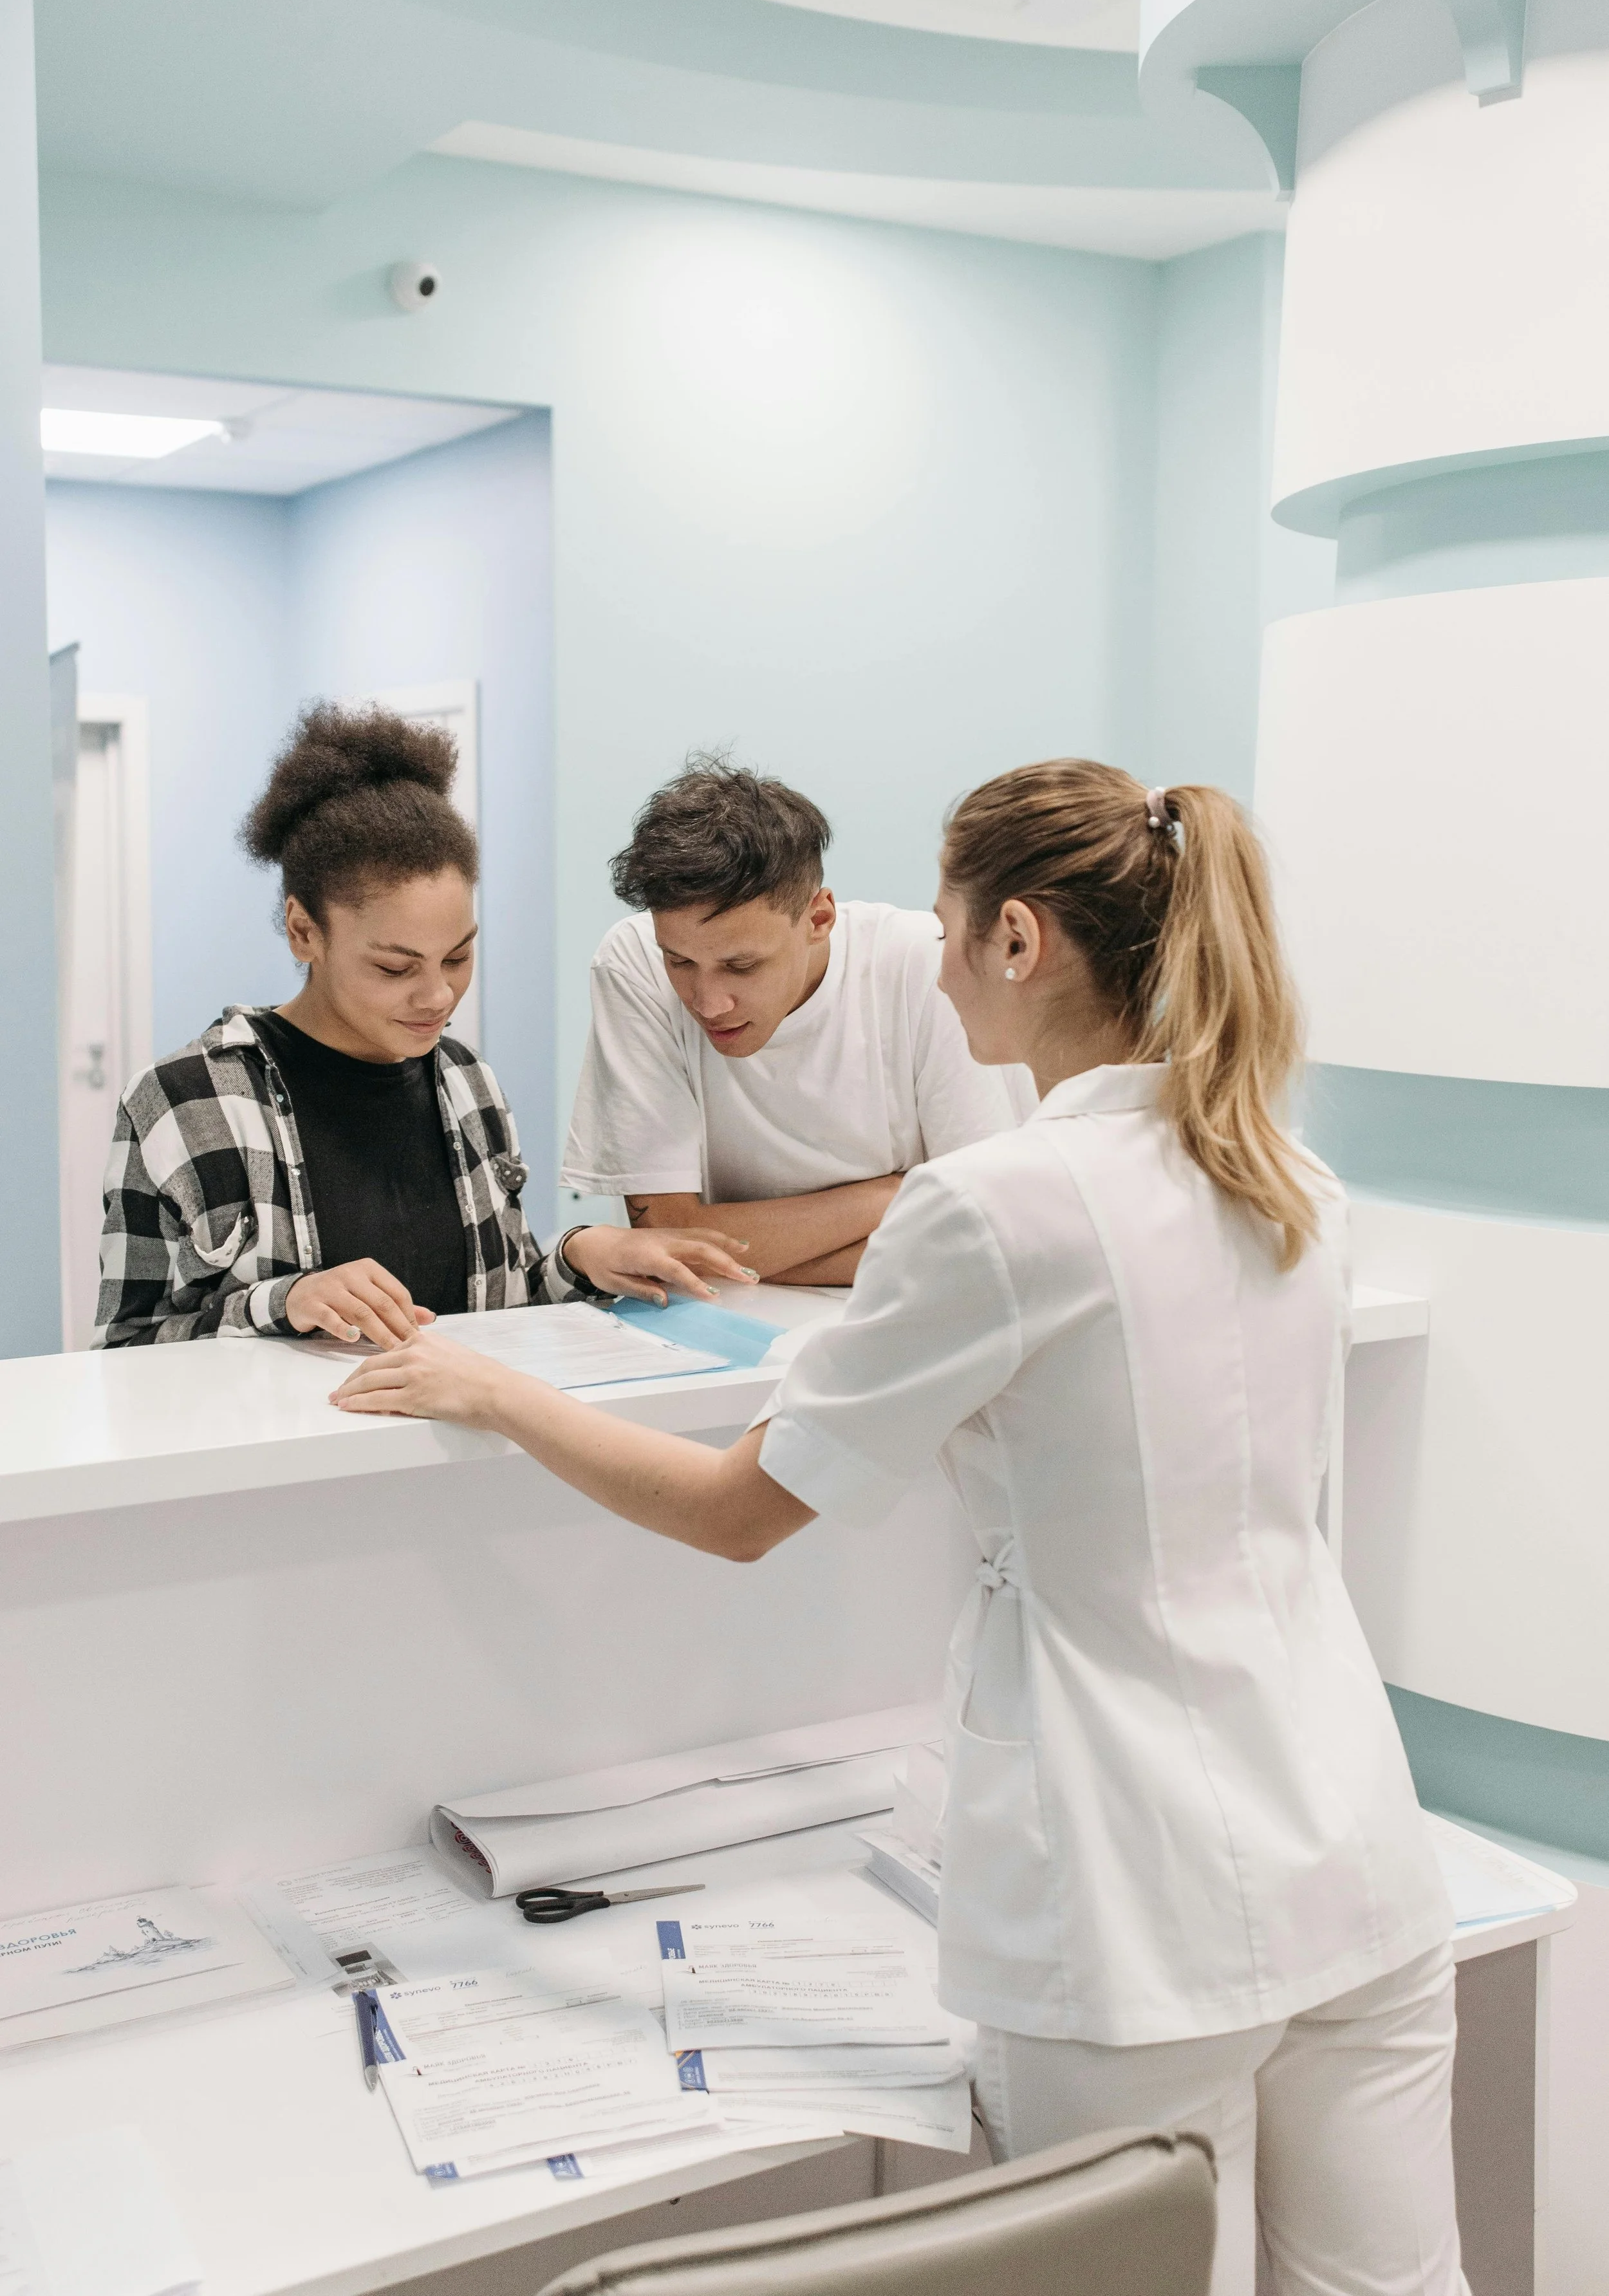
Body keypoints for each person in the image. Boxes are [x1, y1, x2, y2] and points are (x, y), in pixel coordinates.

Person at [333, 757, 1463, 2296]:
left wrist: (488, 1391)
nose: (925, 967)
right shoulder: (1289, 1181)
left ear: (1017, 942)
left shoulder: (1003, 1204)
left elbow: (738, 1515)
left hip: (1135, 1897)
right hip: (1355, 1847)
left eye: (942, 931)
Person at [95, 706, 752, 1349]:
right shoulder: (180, 1103)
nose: (438, 995)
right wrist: (285, 1303)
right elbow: (124, 1350)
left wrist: (578, 1256)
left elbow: (496, 1301)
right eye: (394, 967)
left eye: (459, 956)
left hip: (459, 1456)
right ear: (304, 931)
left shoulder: (467, 1081)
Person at [561, 756, 1033, 1283]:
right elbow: (671, 1235)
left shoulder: (925, 962)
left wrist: (754, 1256)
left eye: (742, 966)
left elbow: (980, 1228)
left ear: (819, 919)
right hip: (720, 1336)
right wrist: (898, 1192)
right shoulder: (632, 962)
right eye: (681, 961)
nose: (709, 1001)